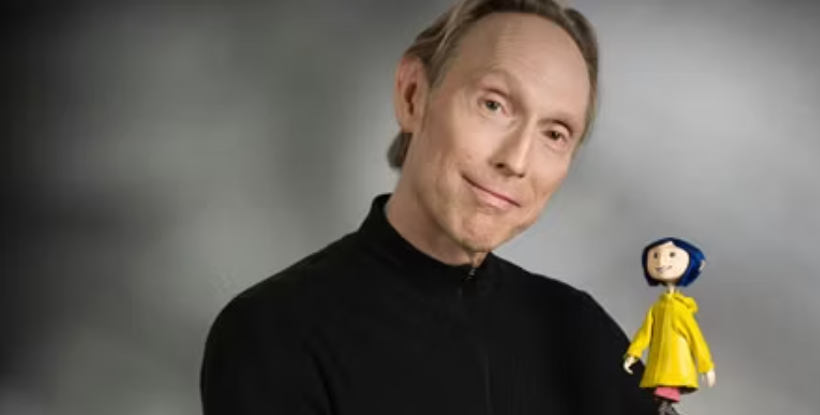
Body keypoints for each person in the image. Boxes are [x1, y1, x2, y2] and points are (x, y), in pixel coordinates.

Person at [199, 0, 658, 414]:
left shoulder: (581, 331)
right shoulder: (274, 331)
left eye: (555, 134)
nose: (517, 160)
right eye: (494, 105)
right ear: (413, 95)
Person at [623, 238, 717, 415]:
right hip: (658, 363)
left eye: (672, 255)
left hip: (676, 363)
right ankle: (665, 409)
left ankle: (665, 409)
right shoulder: (657, 307)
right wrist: (633, 354)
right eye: (655, 256)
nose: (661, 261)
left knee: (665, 392)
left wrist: (706, 367)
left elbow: (695, 338)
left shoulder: (681, 309)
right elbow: (645, 333)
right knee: (658, 395)